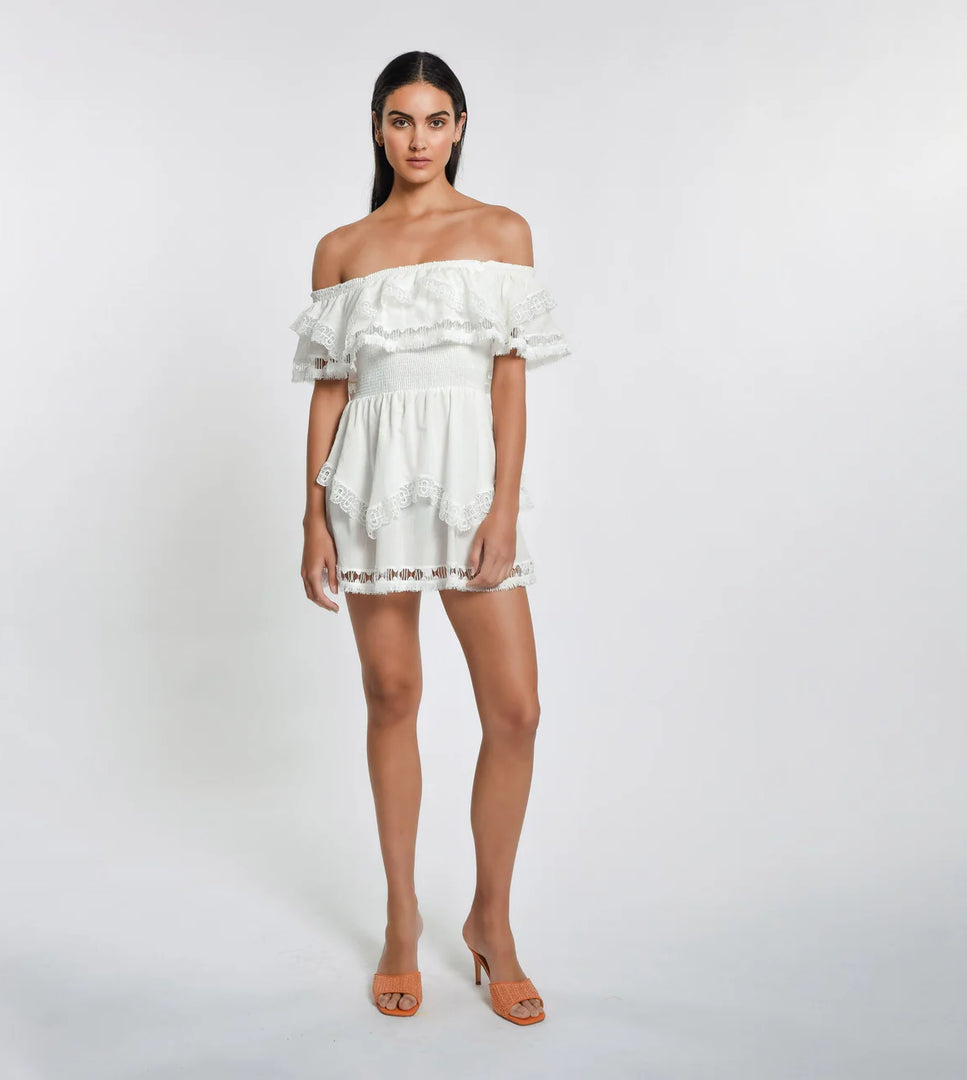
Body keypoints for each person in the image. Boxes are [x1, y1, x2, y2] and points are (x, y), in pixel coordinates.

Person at [290, 50, 570, 1026]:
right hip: (367, 489)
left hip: (468, 491)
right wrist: (311, 516)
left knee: (516, 711)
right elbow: (331, 390)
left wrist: (503, 506)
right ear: (378, 128)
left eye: (436, 120)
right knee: (392, 695)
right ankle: (402, 920)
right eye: (401, 120)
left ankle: (491, 921)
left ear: (459, 127)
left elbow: (509, 381)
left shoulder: (500, 231)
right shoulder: (342, 248)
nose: (419, 139)